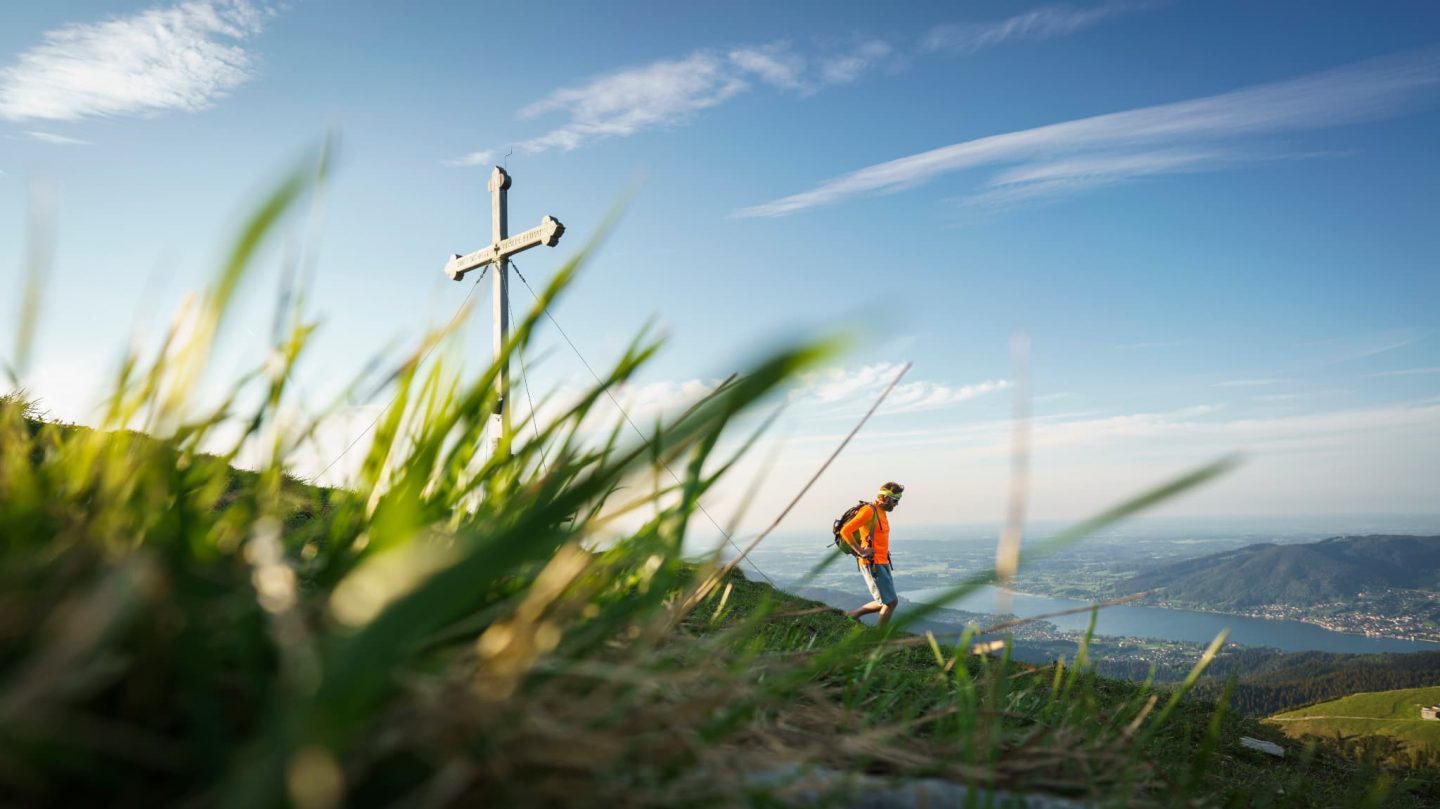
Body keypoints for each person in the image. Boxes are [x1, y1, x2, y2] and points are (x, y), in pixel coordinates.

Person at [841, 482, 903, 626]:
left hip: (882, 561)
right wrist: (860, 551)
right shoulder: (869, 511)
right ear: (885, 498)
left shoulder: (881, 512)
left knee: (888, 601)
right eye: (895, 500)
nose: (897, 504)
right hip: (872, 563)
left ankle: (853, 615)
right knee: (890, 602)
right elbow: (845, 531)